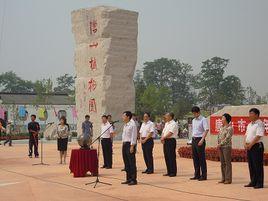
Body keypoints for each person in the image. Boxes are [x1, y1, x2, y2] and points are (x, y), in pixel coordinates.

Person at [244, 108, 265, 189]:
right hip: (249, 146)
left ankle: (259, 183)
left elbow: (258, 136)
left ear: (256, 115)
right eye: (249, 113)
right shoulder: (250, 124)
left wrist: (251, 145)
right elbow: (246, 135)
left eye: (251, 114)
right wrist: (245, 143)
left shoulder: (259, 124)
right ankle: (253, 181)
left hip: (256, 146)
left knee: (257, 165)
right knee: (251, 165)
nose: (249, 115)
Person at [190, 106, 209, 181]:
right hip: (194, 139)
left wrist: (202, 139)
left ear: (198, 112)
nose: (194, 115)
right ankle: (197, 174)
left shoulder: (203, 119)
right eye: (193, 113)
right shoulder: (193, 120)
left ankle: (204, 175)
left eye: (195, 113)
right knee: (195, 158)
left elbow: (206, 130)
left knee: (201, 158)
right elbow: (193, 131)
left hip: (200, 139)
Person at [121, 111, 138, 185]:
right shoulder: (126, 124)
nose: (122, 117)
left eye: (124, 116)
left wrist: (132, 146)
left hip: (129, 145)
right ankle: (128, 178)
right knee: (126, 162)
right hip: (124, 144)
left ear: (128, 117)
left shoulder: (132, 124)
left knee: (131, 163)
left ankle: (133, 179)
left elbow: (134, 136)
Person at [217, 113, 233, 184]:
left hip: (226, 147)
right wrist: (218, 144)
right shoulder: (221, 127)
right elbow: (219, 136)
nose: (221, 119)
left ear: (226, 119)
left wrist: (220, 144)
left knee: (227, 163)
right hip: (220, 147)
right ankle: (223, 178)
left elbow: (227, 138)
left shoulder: (230, 128)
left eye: (222, 118)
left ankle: (228, 179)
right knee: (222, 163)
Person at [161, 112, 178, 177]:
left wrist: (163, 137)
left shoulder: (174, 123)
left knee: (171, 156)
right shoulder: (166, 123)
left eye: (166, 116)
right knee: (167, 156)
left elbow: (171, 133)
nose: (165, 117)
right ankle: (169, 171)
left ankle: (173, 172)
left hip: (171, 140)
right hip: (165, 140)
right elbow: (163, 132)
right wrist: (162, 138)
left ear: (170, 117)